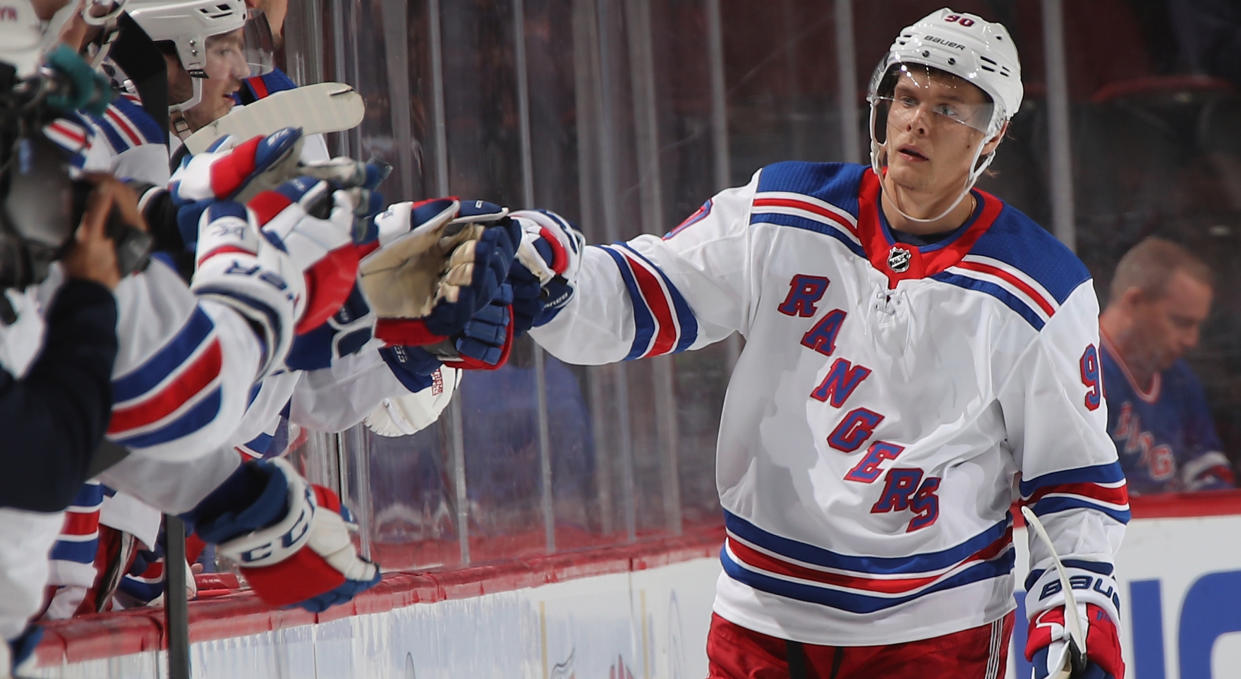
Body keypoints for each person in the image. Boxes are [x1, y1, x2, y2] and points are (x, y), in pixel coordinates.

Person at [514, 8, 1128, 679]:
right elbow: (638, 294)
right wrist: (547, 273)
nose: (916, 120)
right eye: (907, 96)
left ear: (991, 136)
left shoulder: (1042, 287)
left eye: (948, 107)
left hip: (934, 629)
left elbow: (1074, 484)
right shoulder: (782, 209)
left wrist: (1071, 615)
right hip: (762, 616)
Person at [1099, 236, 1235, 495]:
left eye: (1197, 325)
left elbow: (1208, 471)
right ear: (1133, 303)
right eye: (1181, 322)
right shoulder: (1078, 373)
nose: (1192, 341)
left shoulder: (1179, 379)